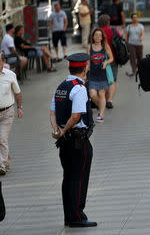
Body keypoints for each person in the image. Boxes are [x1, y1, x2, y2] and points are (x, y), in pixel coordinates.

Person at [50, 53, 97, 228]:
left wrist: (57, 130)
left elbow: (52, 113)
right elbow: (76, 116)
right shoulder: (79, 88)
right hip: (78, 141)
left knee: (68, 178)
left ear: (70, 68)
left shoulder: (61, 86)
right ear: (85, 68)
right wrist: (64, 130)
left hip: (65, 142)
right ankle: (77, 216)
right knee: (79, 178)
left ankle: (69, 216)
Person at [0, 50, 22, 175]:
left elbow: (17, 93)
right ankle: (5, 162)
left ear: (3, 61)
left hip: (7, 112)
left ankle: (2, 165)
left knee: (2, 138)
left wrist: (19, 107)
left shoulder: (10, 75)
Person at [87, 28, 114, 123]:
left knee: (101, 94)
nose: (97, 37)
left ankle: (101, 115)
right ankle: (101, 106)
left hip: (102, 75)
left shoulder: (105, 46)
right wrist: (84, 73)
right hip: (93, 75)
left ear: (102, 37)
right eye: (96, 35)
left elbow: (111, 58)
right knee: (92, 95)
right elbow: (88, 62)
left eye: (99, 35)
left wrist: (106, 63)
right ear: (93, 37)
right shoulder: (90, 47)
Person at [98, 14, 117, 109]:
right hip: (112, 58)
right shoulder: (113, 31)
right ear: (108, 22)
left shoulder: (96, 33)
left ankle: (103, 100)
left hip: (99, 60)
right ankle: (109, 100)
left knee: (102, 80)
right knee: (112, 80)